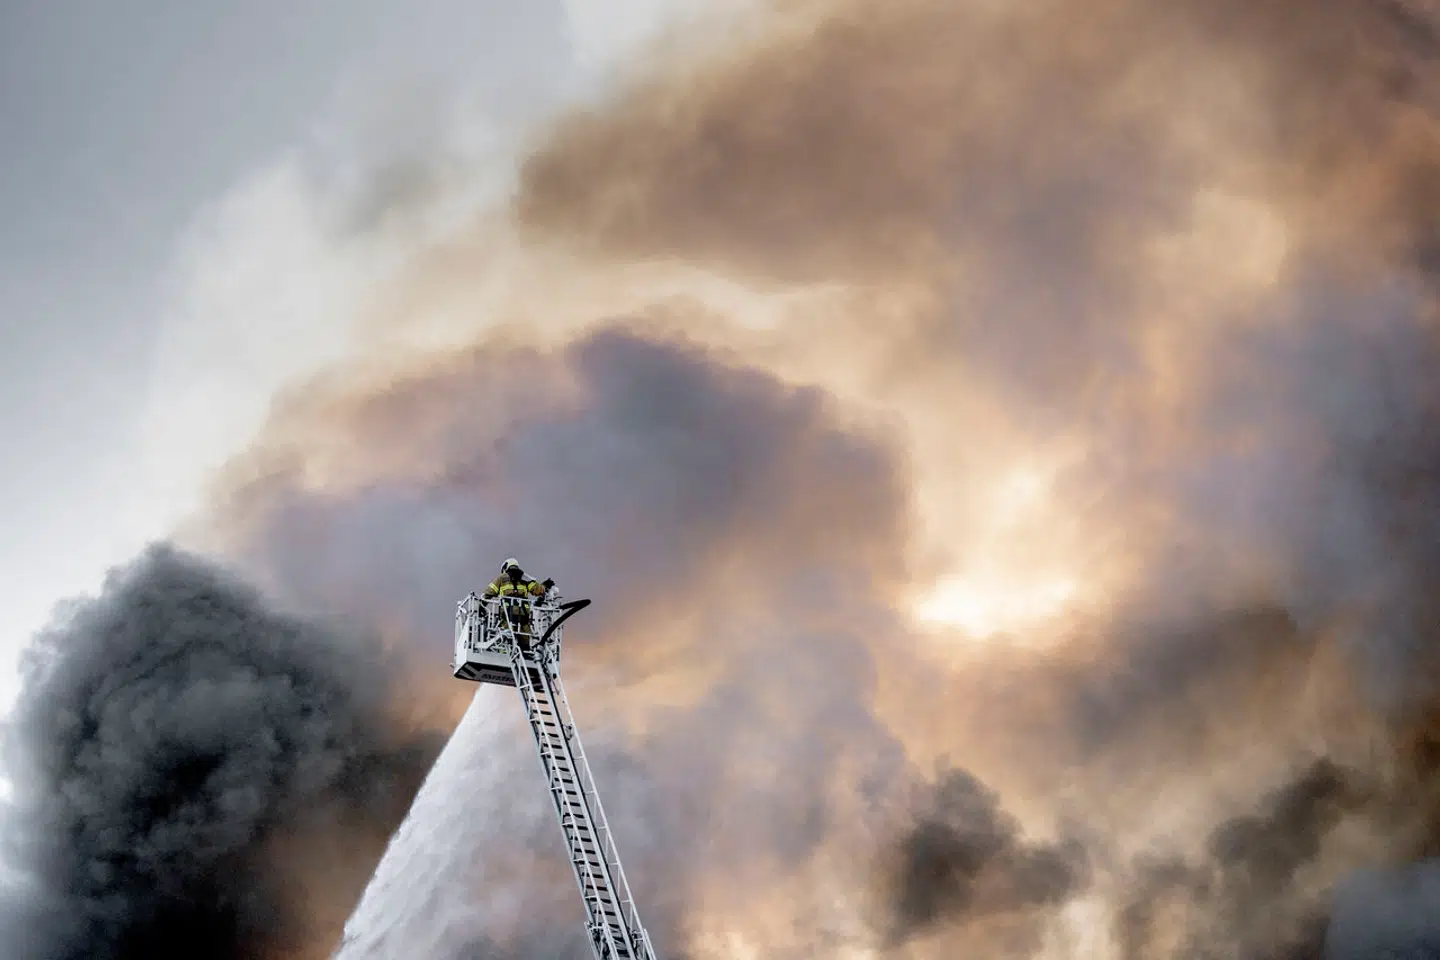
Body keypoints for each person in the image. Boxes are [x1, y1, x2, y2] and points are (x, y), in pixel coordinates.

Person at [482, 558, 554, 651]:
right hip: (523, 616)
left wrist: (481, 605)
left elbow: (489, 593)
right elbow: (537, 590)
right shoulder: (524, 578)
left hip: (507, 617)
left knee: (506, 641)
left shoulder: (502, 578)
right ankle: (525, 653)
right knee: (524, 642)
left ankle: (505, 653)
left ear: (506, 567)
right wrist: (544, 586)